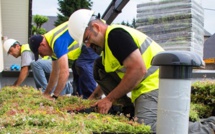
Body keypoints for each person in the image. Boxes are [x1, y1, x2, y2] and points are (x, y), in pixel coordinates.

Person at [68, 9, 215, 134]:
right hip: (146, 85)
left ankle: (209, 126)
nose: (87, 45)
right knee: (99, 66)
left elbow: (138, 70)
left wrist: (109, 99)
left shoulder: (115, 36)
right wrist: (94, 97)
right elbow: (108, 73)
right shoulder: (108, 46)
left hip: (157, 84)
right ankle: (127, 109)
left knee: (146, 127)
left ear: (96, 27)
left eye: (87, 39)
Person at [29, 21, 99, 100]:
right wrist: (46, 93)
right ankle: (80, 96)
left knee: (82, 65)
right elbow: (55, 73)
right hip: (84, 45)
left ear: (42, 45)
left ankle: (92, 99)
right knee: (76, 68)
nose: (42, 56)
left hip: (91, 38)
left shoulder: (57, 43)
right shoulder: (51, 44)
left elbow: (65, 73)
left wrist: (55, 96)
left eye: (40, 52)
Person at [3, 38, 72, 95]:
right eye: (9, 53)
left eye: (11, 51)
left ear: (17, 46)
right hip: (51, 65)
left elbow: (25, 71)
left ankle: (43, 90)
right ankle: (67, 87)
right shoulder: (26, 49)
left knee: (35, 64)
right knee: (46, 77)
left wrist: (15, 86)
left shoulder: (25, 51)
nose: (11, 54)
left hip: (54, 65)